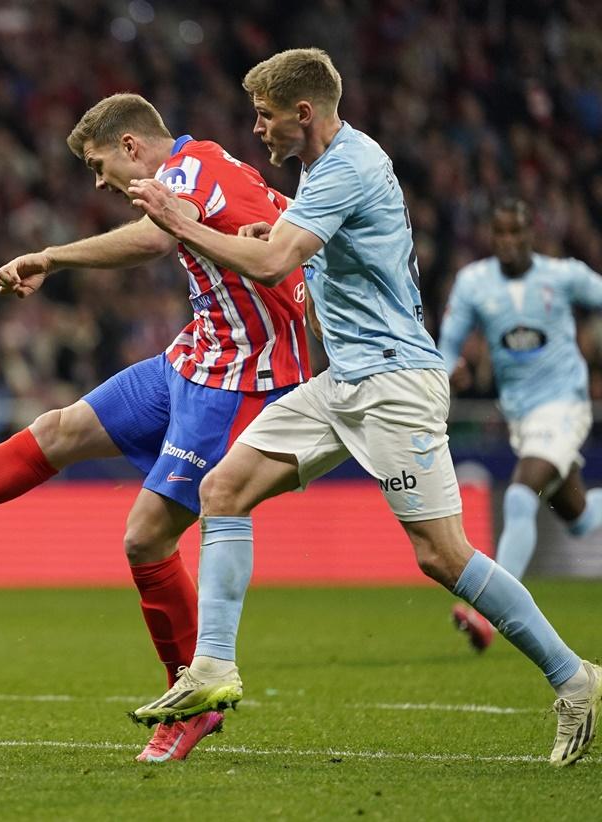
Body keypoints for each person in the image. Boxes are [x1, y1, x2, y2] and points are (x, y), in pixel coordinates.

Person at [0, 93, 311, 763]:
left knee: (146, 538)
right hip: (194, 356)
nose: (99, 182)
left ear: (131, 147)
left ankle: (193, 701)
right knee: (58, 430)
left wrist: (52, 256)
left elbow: (159, 235)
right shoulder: (213, 163)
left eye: (99, 166)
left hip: (239, 379)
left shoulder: (183, 175)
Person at [124, 48, 601, 767]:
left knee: (442, 554)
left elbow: (272, 264)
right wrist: (270, 228)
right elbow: (303, 243)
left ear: (303, 113)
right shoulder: (324, 170)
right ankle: (213, 668)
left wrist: (179, 220)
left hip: (394, 382)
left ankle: (574, 678)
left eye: (265, 115)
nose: (257, 129)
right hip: (345, 380)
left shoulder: (349, 164)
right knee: (222, 489)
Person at [439, 199, 602, 651]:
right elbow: (448, 345)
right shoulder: (474, 283)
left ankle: (488, 614)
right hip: (522, 418)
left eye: (517, 232)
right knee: (579, 519)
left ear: (533, 233)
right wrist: (450, 369)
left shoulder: (563, 275)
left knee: (517, 495)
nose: (509, 242)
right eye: (500, 233)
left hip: (566, 406)